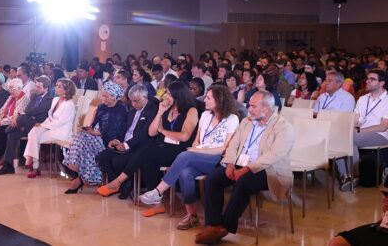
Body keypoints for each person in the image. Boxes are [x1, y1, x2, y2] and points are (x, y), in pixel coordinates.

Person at [195, 90, 294, 245]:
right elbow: (233, 145)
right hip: (240, 163)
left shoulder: (283, 126)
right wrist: (229, 164)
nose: (249, 110)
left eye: (254, 106)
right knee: (213, 179)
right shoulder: (246, 121)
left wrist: (247, 169)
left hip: (269, 170)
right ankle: (213, 225)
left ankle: (225, 226)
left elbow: (274, 155)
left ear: (267, 108)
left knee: (244, 182)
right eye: (249, 106)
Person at [139, 85, 240, 229]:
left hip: (218, 158)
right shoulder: (205, 115)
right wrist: (196, 150)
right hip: (199, 155)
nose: (204, 100)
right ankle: (191, 215)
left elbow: (225, 148)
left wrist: (197, 151)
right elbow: (196, 141)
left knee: (185, 156)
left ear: (219, 100)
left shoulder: (232, 119)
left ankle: (158, 191)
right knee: (185, 172)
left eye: (208, 98)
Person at [97, 81, 199, 199]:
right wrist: (160, 112)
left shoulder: (191, 111)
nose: (166, 96)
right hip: (163, 146)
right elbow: (152, 132)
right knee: (147, 157)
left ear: (178, 95)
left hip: (180, 149)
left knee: (146, 150)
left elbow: (184, 136)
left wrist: (162, 131)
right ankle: (153, 196)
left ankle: (118, 182)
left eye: (169, 94)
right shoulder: (167, 109)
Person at [97, 84, 160, 199]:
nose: (133, 104)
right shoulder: (132, 110)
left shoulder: (153, 111)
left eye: (136, 101)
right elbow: (125, 130)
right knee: (102, 156)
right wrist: (117, 140)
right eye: (131, 101)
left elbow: (145, 134)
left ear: (145, 97)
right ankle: (124, 185)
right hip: (126, 143)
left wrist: (126, 145)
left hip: (140, 146)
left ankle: (123, 184)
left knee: (118, 160)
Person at [62, 81, 127, 193]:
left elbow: (116, 131)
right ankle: (80, 173)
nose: (103, 98)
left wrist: (96, 133)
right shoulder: (101, 107)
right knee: (81, 136)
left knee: (83, 141)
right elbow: (93, 124)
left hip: (110, 140)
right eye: (103, 95)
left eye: (106, 96)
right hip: (97, 136)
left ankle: (79, 175)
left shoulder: (121, 109)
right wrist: (89, 129)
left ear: (114, 96)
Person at [341, 69, 388, 190]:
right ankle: (344, 175)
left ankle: (354, 175)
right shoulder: (362, 99)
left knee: (351, 138)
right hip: (361, 133)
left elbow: (383, 127)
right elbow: (355, 120)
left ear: (382, 83)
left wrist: (358, 131)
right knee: (339, 136)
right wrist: (351, 128)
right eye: (367, 79)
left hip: (381, 135)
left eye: (372, 79)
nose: (368, 81)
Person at [0, 75, 53, 175]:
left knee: (21, 118)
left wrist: (20, 115)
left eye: (39, 87)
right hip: (27, 124)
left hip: (39, 126)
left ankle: (10, 128)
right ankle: (8, 166)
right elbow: (27, 109)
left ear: (46, 88)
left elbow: (37, 111)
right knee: (12, 134)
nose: (36, 89)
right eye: (36, 86)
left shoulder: (49, 99)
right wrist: (20, 114)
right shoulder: (34, 95)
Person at [23, 78, 77, 178]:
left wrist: (43, 126)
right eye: (56, 85)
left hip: (61, 131)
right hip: (50, 126)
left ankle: (33, 164)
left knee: (34, 136)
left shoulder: (69, 105)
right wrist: (42, 124)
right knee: (34, 131)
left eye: (59, 86)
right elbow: (50, 117)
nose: (56, 88)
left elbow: (60, 123)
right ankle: (32, 162)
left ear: (66, 90)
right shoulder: (55, 100)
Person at [328, 174, 388, 246]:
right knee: (336, 243)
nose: (385, 198)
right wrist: (384, 212)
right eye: (386, 195)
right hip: (382, 228)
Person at [0, 78, 31, 164]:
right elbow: (2, 110)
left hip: (13, 123)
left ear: (19, 88)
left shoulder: (24, 99)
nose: (10, 91)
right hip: (3, 120)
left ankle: (0, 155)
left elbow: (15, 117)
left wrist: (0, 123)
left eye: (12, 89)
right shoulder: (11, 97)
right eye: (10, 89)